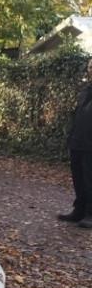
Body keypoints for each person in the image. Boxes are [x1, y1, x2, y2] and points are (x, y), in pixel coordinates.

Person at [58, 57, 92, 228]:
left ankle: (90, 214)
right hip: (78, 142)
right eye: (90, 67)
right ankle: (79, 210)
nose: (91, 69)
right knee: (78, 178)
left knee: (89, 179)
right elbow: (77, 115)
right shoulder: (85, 90)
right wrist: (70, 137)